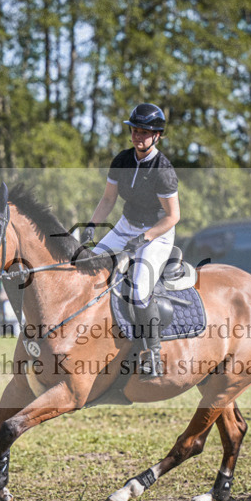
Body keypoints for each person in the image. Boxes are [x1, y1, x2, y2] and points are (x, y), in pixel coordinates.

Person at [80, 103, 180, 378]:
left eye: (145, 132)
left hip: (156, 232)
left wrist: (144, 238)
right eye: (135, 130)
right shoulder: (122, 160)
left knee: (138, 290)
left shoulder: (163, 170)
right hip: (125, 226)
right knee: (88, 268)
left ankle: (153, 354)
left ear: (157, 135)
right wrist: (91, 226)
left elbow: (173, 216)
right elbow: (108, 199)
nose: (138, 136)